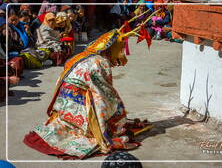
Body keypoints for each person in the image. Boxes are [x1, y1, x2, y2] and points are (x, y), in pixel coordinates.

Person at [24, 17, 153, 159]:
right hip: (79, 99)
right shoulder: (101, 62)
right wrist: (117, 111)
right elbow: (104, 92)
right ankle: (94, 131)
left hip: (62, 101)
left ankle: (71, 123)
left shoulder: (83, 54)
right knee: (110, 102)